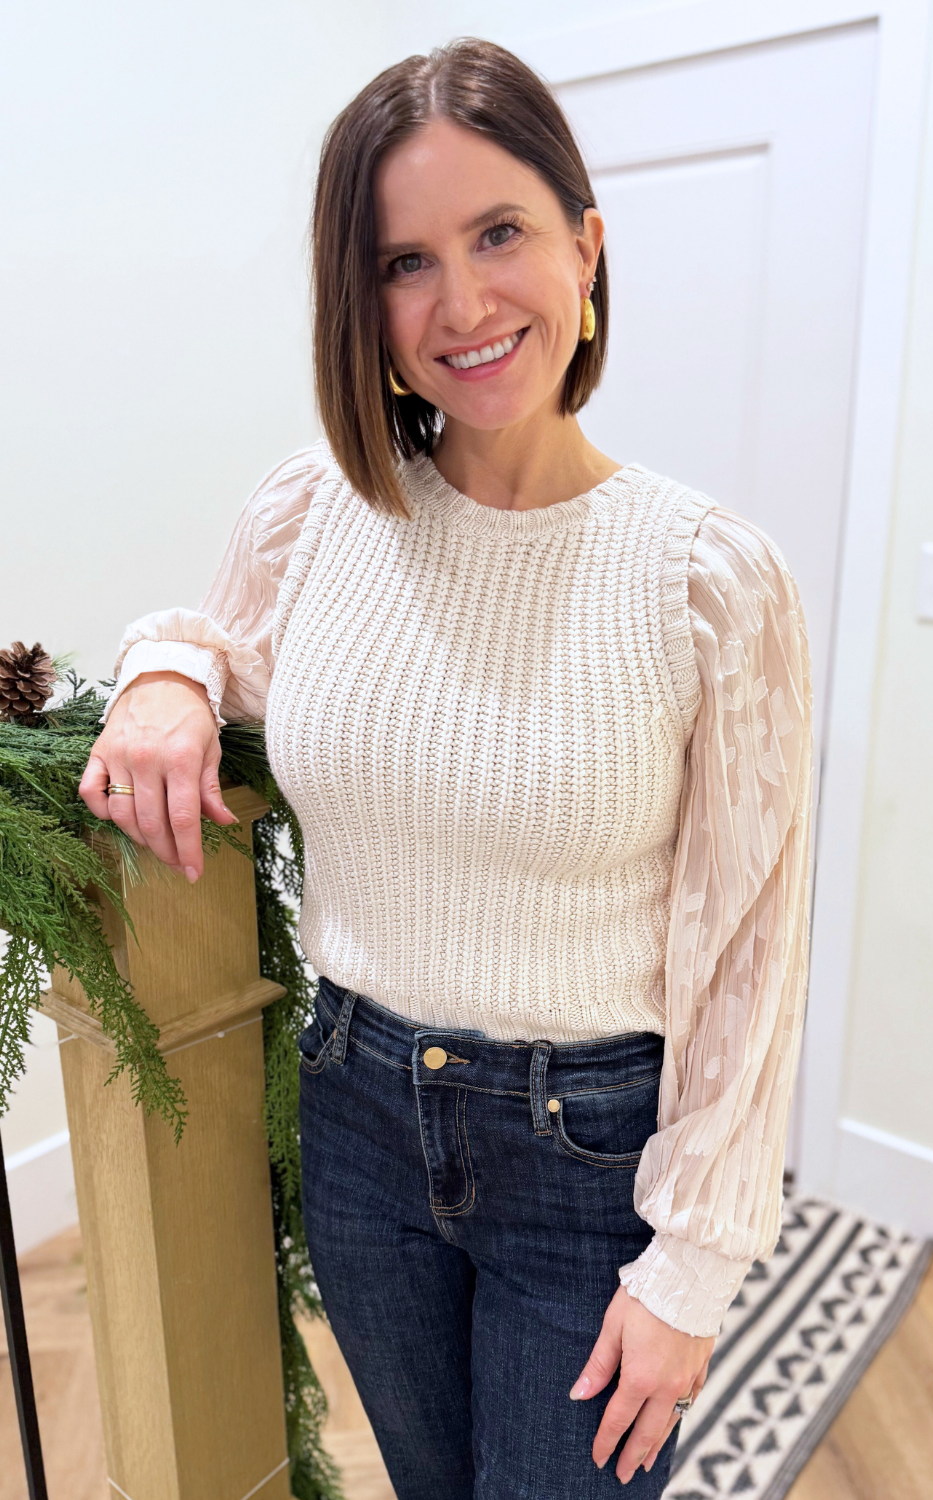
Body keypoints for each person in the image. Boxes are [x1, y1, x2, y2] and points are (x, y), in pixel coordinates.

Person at [80, 37, 813, 1499]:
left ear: (585, 245)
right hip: (354, 1117)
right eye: (405, 262)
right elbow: (217, 648)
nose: (462, 305)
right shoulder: (313, 514)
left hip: (587, 1157)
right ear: (361, 302)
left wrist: (696, 1263)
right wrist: (165, 675)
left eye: (499, 234)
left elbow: (752, 950)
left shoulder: (710, 580)